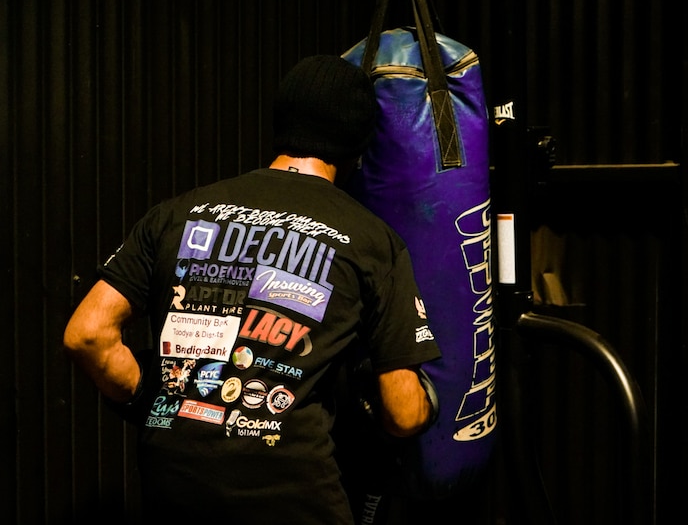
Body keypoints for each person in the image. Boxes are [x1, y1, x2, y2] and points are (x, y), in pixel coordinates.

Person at [64, 54, 442, 523]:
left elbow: (87, 333)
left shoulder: (176, 214)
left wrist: (149, 401)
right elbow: (402, 414)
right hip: (295, 499)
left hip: (174, 489)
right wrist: (430, 401)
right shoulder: (371, 240)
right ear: (357, 145)